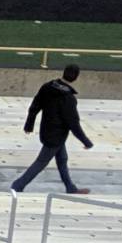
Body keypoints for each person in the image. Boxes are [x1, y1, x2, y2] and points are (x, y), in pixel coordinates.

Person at [11, 63, 93, 194]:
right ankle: (17, 185)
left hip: (47, 132)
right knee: (41, 162)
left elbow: (35, 106)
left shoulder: (48, 87)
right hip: (56, 136)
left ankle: (70, 187)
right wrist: (86, 141)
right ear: (76, 77)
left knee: (62, 159)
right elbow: (73, 123)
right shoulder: (68, 98)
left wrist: (29, 125)